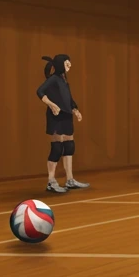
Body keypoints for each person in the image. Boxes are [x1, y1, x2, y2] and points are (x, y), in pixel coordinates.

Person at [36, 54, 89, 193]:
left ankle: (70, 179)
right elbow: (40, 91)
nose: (70, 65)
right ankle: (51, 181)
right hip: (56, 116)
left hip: (66, 116)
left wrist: (75, 110)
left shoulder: (64, 80)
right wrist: (51, 105)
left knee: (69, 146)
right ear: (60, 64)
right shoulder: (53, 79)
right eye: (67, 63)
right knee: (57, 148)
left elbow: (68, 98)